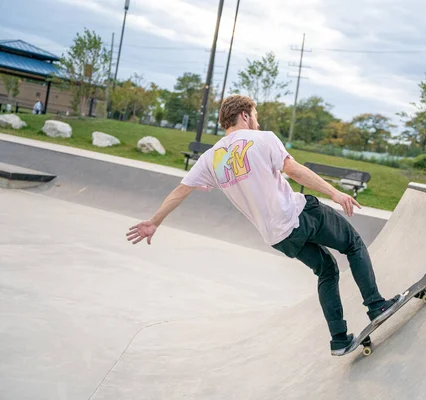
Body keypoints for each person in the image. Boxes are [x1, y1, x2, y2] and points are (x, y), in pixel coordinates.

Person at [126, 94, 399, 355]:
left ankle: (339, 340)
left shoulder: (210, 158)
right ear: (244, 115)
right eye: (254, 116)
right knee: (353, 244)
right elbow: (293, 170)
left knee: (327, 271)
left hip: (277, 236)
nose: (257, 122)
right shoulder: (262, 139)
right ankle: (376, 306)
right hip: (300, 215)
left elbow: (180, 191)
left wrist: (154, 222)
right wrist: (335, 193)